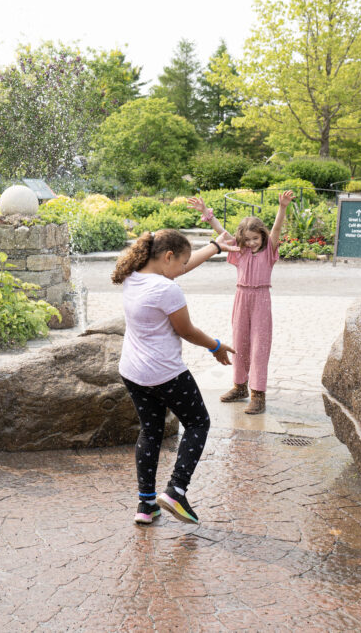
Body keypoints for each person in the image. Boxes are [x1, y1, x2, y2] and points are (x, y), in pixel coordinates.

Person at [111, 228, 237, 525]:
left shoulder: (132, 274)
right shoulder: (167, 290)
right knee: (198, 422)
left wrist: (216, 247)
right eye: (181, 263)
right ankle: (176, 490)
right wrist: (216, 347)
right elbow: (187, 331)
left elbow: (176, 270)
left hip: (133, 371)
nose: (183, 269)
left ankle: (146, 505)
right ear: (167, 257)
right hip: (164, 373)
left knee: (151, 431)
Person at [189, 190, 294, 415]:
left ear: (262, 237)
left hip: (261, 298)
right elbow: (221, 232)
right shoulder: (240, 251)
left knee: (259, 346)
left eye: (256, 238)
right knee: (240, 342)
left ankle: (258, 394)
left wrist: (282, 207)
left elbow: (276, 230)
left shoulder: (268, 252)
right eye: (247, 239)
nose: (251, 242)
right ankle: (239, 387)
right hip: (241, 297)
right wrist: (206, 212)